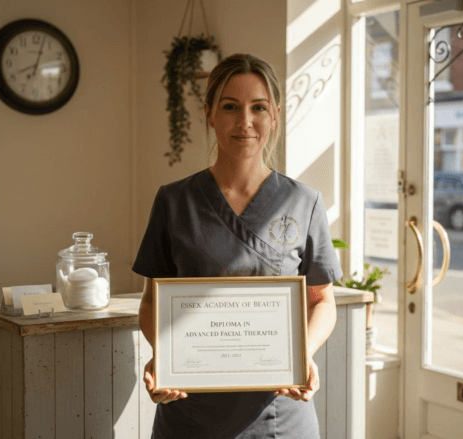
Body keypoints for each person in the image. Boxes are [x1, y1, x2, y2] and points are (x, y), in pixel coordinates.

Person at [133, 53, 343, 439]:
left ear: (275, 115)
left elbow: (322, 301)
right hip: (190, 411)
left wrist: (304, 354)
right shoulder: (173, 202)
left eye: (258, 107)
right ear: (209, 113)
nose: (245, 122)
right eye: (230, 107)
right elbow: (151, 303)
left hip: (280, 416)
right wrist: (162, 355)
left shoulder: (304, 202)